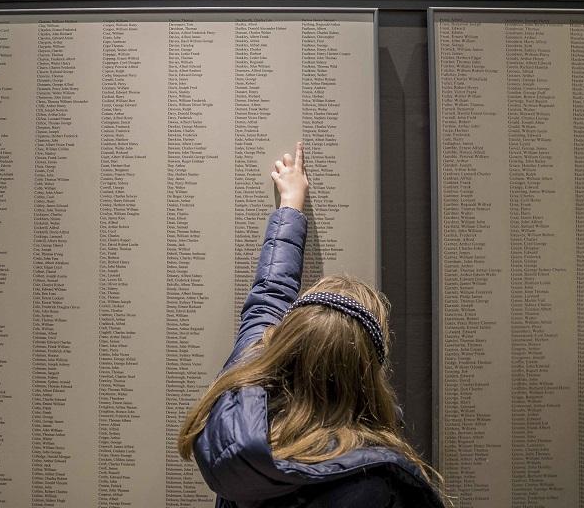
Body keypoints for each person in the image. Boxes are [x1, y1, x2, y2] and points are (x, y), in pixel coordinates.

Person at [177, 142, 445, 507]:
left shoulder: (243, 431)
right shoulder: (381, 489)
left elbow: (268, 298)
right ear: (366, 375)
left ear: (286, 347)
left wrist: (290, 205)